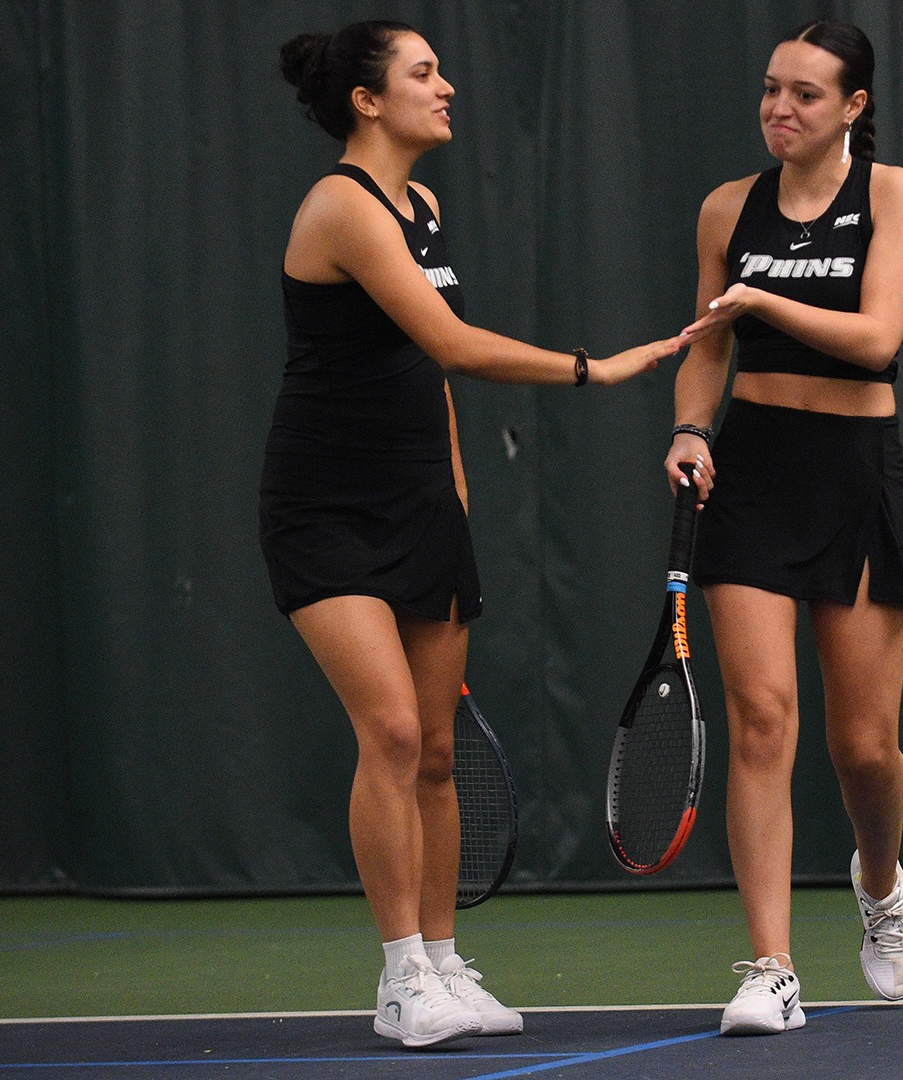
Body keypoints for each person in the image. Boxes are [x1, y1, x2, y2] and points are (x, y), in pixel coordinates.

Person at [265, 20, 685, 1050]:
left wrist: (453, 495)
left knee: (438, 752)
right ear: (368, 100)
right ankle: (401, 977)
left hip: (422, 507)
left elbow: (428, 375)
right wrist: (602, 368)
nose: (446, 87)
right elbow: (455, 341)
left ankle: (446, 964)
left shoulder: (426, 206)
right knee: (394, 733)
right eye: (423, 73)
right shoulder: (341, 207)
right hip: (322, 509)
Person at [664, 19, 903, 1036]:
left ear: (854, 107)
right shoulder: (728, 207)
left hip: (856, 475)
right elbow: (704, 344)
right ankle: (771, 966)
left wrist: (761, 292)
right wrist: (690, 425)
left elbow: (877, 337)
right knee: (763, 722)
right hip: (753, 473)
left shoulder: (891, 193)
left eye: (806, 95)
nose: (781, 109)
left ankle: (879, 876)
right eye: (772, 90)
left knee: (864, 750)